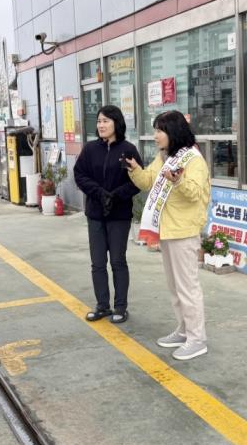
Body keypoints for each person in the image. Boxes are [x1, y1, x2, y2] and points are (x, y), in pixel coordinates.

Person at [126, 110, 210, 361]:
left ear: (172, 132)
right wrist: (134, 169)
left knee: (187, 287)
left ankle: (197, 339)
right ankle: (184, 330)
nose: (155, 136)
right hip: (167, 229)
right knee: (175, 287)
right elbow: (147, 181)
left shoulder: (193, 160)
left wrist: (177, 181)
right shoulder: (164, 157)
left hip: (184, 231)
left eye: (159, 131)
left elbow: (194, 193)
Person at [73, 105, 142, 323]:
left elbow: (138, 181)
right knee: (98, 262)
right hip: (95, 214)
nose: (101, 125)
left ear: (117, 123)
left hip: (119, 215)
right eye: (99, 121)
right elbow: (80, 175)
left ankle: (120, 307)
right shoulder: (90, 149)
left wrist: (115, 195)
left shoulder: (128, 150)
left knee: (118, 262)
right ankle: (102, 306)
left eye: (106, 121)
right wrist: (100, 194)